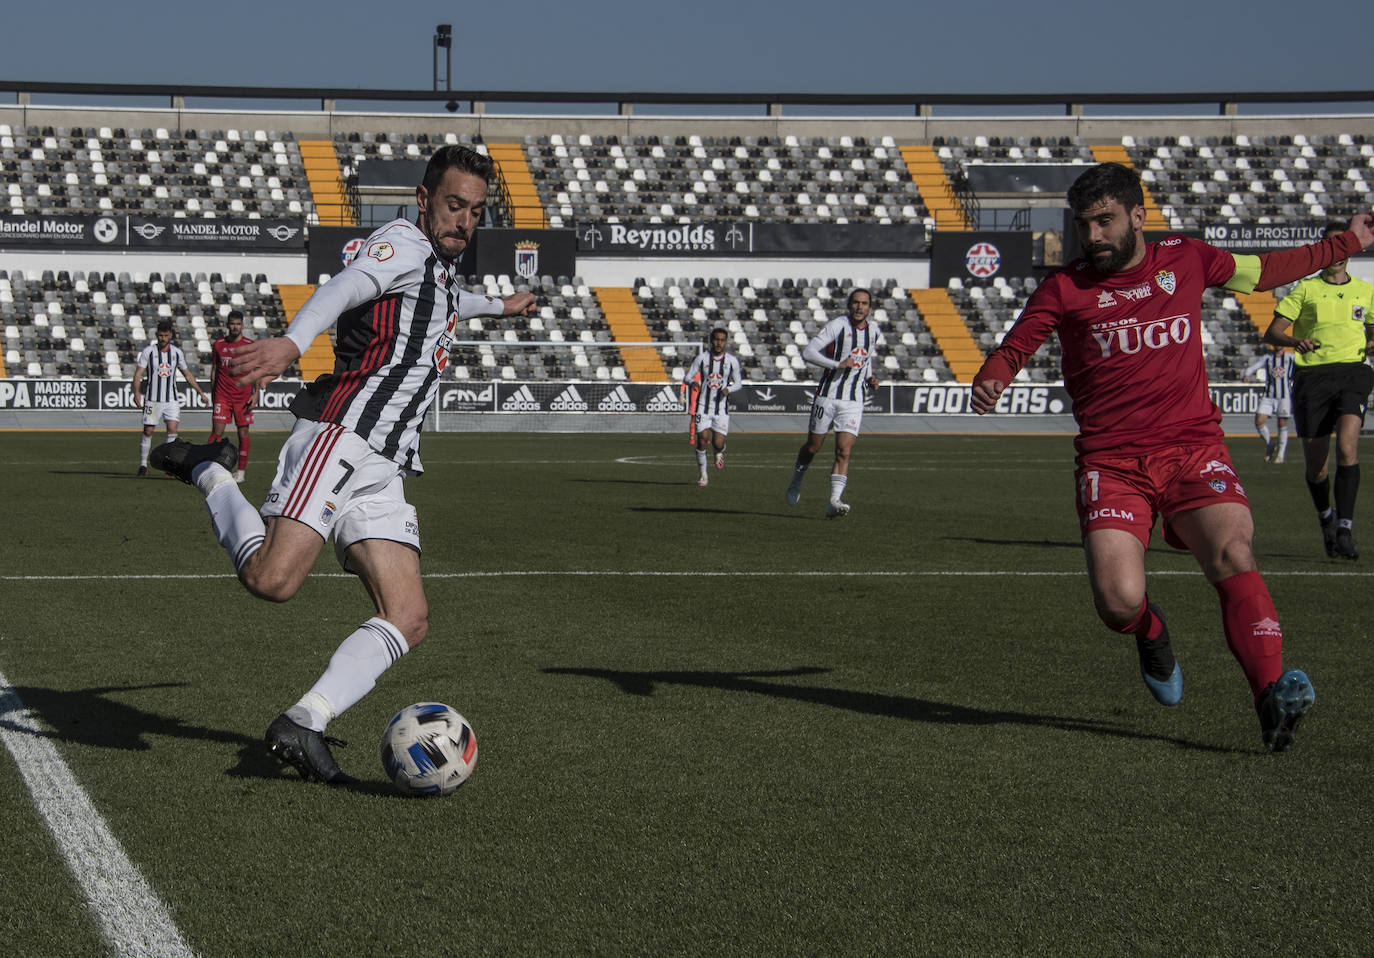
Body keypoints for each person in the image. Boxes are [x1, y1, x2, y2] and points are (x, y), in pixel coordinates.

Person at [148, 145, 536, 784]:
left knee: (409, 618)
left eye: (475, 211)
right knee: (273, 582)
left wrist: (501, 307)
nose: (464, 221)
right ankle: (210, 470)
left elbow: (449, 306)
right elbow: (347, 285)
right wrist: (292, 344)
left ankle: (304, 721)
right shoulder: (405, 244)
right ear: (423, 199)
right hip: (344, 434)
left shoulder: (438, 271)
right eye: (453, 205)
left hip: (385, 464)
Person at [971, 161, 1374, 752]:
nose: (1094, 236)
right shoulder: (1066, 286)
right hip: (1111, 463)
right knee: (1117, 602)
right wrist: (994, 374)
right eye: (1084, 224)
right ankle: (1150, 629)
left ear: (1139, 216)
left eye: (1105, 221)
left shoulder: (1187, 257)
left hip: (1192, 449)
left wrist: (1347, 243)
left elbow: (1264, 273)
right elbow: (1020, 340)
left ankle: (1270, 700)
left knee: (1233, 550)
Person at [1262, 222, 1374, 560]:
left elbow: (1371, 330)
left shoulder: (1366, 291)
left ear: (1350, 251)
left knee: (1347, 446)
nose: (1338, 255)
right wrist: (1297, 341)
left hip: (1354, 373)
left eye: (1343, 247)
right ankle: (1326, 516)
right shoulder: (1306, 290)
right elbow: (1273, 332)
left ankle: (1345, 528)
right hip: (1313, 378)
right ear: (1325, 250)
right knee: (1317, 467)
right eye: (1332, 247)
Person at [784, 288, 882, 517]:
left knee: (843, 452)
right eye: (856, 302)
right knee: (813, 447)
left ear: (870, 307)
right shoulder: (838, 326)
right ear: (849, 305)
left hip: (854, 400)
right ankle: (797, 478)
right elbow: (808, 352)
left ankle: (834, 501)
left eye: (864, 303)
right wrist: (836, 364)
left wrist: (869, 377)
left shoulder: (875, 331)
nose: (860, 307)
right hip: (828, 396)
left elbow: (865, 360)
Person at [132, 319, 211, 477]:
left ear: (171, 336)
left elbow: (187, 374)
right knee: (148, 430)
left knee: (172, 429)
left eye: (166, 336)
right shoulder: (149, 351)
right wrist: (136, 393)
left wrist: (200, 393)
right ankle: (142, 465)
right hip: (153, 399)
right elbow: (138, 373)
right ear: (157, 335)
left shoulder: (176, 353)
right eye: (160, 335)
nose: (163, 338)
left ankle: (168, 465)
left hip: (171, 399)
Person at [685, 327, 743, 486]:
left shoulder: (732, 361)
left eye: (722, 340)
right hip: (702, 407)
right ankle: (703, 475)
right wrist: (693, 382)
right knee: (702, 440)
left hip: (721, 410)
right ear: (712, 341)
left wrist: (729, 389)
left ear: (726, 342)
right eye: (716, 339)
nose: (719, 343)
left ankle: (719, 452)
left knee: (718, 443)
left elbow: (739, 383)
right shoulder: (701, 359)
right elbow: (687, 376)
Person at [208, 309, 260, 483]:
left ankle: (241, 472)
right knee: (217, 431)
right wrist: (214, 394)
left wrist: (256, 394)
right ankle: (206, 466)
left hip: (243, 397)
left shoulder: (249, 345)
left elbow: (256, 372)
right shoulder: (219, 345)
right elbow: (214, 371)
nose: (235, 327)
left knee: (243, 432)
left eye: (238, 324)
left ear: (242, 325)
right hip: (222, 396)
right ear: (228, 325)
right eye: (232, 324)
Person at [1240, 344, 1295, 464]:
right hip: (1268, 395)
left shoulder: (1290, 357)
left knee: (1282, 424)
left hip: (1284, 396)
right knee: (1259, 421)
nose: (1277, 346)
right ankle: (1270, 443)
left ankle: (1280, 455)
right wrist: (1247, 373)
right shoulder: (1268, 357)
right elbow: (1255, 366)